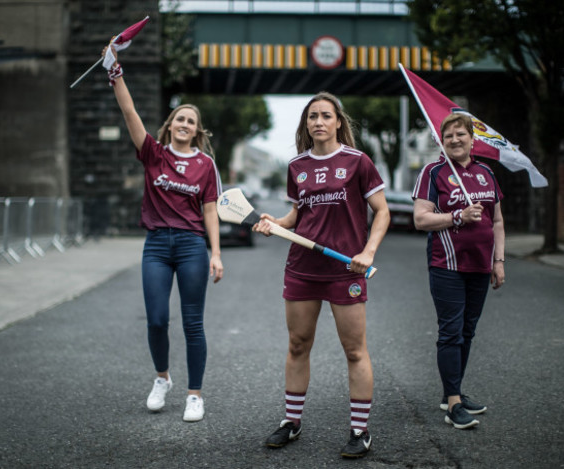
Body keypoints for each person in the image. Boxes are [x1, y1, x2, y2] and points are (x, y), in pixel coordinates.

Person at [253, 92, 390, 459]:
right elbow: (296, 218)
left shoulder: (358, 161)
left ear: (338, 122)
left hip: (346, 267)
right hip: (302, 267)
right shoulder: (297, 166)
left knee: (354, 350)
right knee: (298, 344)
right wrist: (273, 223)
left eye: (325, 115)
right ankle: (291, 422)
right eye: (312, 116)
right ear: (306, 124)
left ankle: (360, 431)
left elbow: (382, 211)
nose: (318, 121)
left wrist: (368, 251)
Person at [101, 43, 224, 422]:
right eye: (179, 119)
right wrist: (114, 72)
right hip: (155, 244)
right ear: (170, 125)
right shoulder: (153, 153)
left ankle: (194, 395)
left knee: (192, 322)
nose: (184, 124)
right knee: (156, 319)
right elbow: (129, 111)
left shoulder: (206, 165)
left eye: (191, 121)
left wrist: (216, 253)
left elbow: (210, 211)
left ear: (197, 130)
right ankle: (162, 378)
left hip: (190, 246)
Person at [412, 113, 505, 429]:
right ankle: (453, 404)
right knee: (451, 331)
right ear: (442, 140)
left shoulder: (486, 173)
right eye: (448, 135)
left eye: (460, 134)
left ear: (472, 139)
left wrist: (499, 261)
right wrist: (457, 217)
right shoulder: (433, 172)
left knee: (468, 330)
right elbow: (421, 219)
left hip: (481, 264)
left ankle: (453, 392)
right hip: (447, 264)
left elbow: (497, 221)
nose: (454, 140)